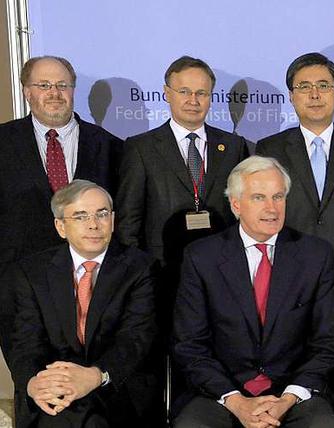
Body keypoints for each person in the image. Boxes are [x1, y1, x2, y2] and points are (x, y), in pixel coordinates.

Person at [172, 156, 334, 427]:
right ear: (236, 204)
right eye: (259, 198)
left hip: (293, 392)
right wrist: (235, 401)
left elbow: (326, 342)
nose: (272, 208)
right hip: (221, 392)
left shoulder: (315, 255)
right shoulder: (202, 257)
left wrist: (288, 398)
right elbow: (190, 345)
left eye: (278, 197)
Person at [7, 180, 159, 427]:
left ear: (113, 219)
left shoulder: (140, 268)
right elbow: (26, 343)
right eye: (80, 216)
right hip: (55, 389)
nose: (93, 224)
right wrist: (34, 383)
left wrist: (96, 375)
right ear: (60, 227)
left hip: (115, 384)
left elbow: (135, 339)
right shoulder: (31, 272)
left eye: (102, 214)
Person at [115, 56, 249, 333]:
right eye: (184, 91)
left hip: (222, 277)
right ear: (166, 93)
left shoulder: (233, 146)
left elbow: (243, 215)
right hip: (163, 276)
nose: (193, 100)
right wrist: (139, 278)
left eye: (201, 93)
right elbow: (129, 221)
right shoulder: (141, 148)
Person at [0, 56, 123, 356]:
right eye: (43, 85)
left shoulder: (111, 146)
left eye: (62, 85)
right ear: (27, 91)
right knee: (34, 385)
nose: (54, 93)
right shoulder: (2, 142)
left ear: (73, 90)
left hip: (94, 290)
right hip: (20, 291)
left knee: (94, 384)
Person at [255, 52, 334, 275]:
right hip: (288, 270)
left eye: (323, 85)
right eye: (304, 87)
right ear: (291, 96)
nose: (314, 94)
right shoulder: (269, 149)